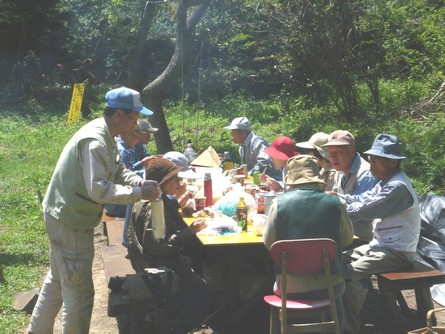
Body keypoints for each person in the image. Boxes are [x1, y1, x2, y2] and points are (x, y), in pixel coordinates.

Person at [28, 86, 161, 334]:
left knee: (58, 282)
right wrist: (138, 194)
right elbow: (98, 190)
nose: (136, 122)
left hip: (64, 213)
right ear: (119, 114)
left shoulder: (107, 134)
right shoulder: (96, 141)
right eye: (133, 116)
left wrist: (139, 182)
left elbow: (118, 169)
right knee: (80, 292)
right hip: (69, 219)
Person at [338, 134, 421, 334]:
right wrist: (338, 199)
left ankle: (349, 328)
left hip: (396, 251)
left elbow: (365, 211)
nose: (371, 163)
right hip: (381, 245)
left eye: (375, 160)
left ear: (392, 162)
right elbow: (362, 199)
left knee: (347, 274)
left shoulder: (397, 187)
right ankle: (355, 309)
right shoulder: (385, 181)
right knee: (337, 260)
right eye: (371, 159)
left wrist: (335, 205)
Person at [127, 158, 219, 334]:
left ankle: (175, 313)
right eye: (175, 179)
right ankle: (178, 329)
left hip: (157, 259)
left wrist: (181, 209)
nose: (180, 182)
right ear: (163, 182)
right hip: (159, 265)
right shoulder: (154, 205)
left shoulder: (157, 198)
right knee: (205, 294)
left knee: (197, 261)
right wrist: (189, 232)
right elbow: (158, 246)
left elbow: (164, 227)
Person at [263, 155, 354, 333]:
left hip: (289, 288)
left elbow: (270, 244)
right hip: (329, 284)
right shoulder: (337, 203)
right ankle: (338, 329)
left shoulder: (278, 203)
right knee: (339, 293)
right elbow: (347, 239)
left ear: (291, 181)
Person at [322, 130, 379, 241]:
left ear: (352, 152)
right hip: (344, 233)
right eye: (330, 153)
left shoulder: (365, 175)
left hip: (361, 238)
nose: (332, 157)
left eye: (338, 153)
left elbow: (361, 213)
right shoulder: (339, 170)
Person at [104, 127, 144, 217]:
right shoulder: (121, 150)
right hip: (115, 204)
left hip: (116, 199)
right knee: (145, 207)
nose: (138, 141)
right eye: (137, 138)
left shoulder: (127, 146)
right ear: (129, 134)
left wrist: (141, 182)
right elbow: (122, 177)